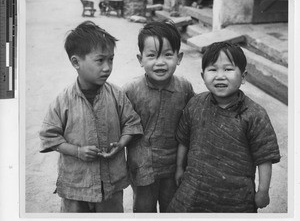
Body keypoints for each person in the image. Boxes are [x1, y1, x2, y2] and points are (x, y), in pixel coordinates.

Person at [39, 21, 143, 213]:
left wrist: (121, 144)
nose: (107, 67)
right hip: (76, 185)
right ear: (76, 62)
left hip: (111, 184)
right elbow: (49, 136)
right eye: (100, 60)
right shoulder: (63, 101)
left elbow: (132, 122)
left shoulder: (116, 95)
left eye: (110, 60)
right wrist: (77, 151)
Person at [167, 41, 281, 213]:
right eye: (212, 69)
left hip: (236, 197)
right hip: (194, 189)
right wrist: (179, 168)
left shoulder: (254, 114)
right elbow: (183, 139)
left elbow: (264, 157)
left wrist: (263, 191)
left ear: (243, 76)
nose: (220, 76)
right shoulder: (196, 104)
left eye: (228, 69)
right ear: (202, 75)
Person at [123, 20, 195, 213]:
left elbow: (192, 126)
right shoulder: (130, 91)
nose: (160, 62)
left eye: (168, 55)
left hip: (174, 166)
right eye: (152, 55)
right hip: (142, 167)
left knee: (172, 209)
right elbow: (119, 129)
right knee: (143, 209)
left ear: (179, 57)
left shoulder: (184, 88)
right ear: (140, 59)